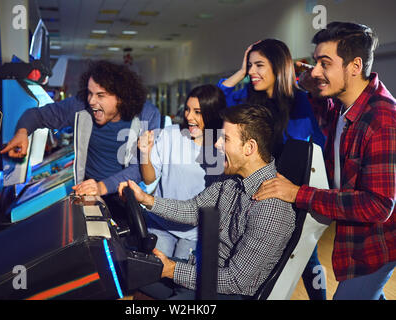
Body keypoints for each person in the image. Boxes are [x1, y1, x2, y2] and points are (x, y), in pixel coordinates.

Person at [253, 22, 396, 300]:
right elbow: (320, 107)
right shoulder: (344, 107)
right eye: (315, 62)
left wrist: (298, 194)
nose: (316, 70)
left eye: (325, 63)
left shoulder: (383, 119)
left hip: (379, 244)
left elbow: (378, 206)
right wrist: (309, 82)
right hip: (354, 239)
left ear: (355, 66)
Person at [119, 104, 296, 299]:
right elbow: (194, 210)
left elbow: (235, 281)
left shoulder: (272, 206)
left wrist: (172, 270)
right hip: (204, 270)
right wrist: (146, 199)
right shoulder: (231, 178)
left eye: (225, 139)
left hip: (230, 292)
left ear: (249, 147)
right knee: (133, 274)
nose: (217, 144)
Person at [218, 39, 327, 299]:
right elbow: (220, 93)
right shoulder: (250, 99)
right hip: (258, 194)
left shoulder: (301, 102)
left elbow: (314, 148)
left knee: (307, 259)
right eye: (250, 65)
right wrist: (243, 70)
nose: (252, 71)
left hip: (291, 195)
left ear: (278, 67)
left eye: (259, 65)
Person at [1, 60, 161, 221]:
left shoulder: (147, 115)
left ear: (120, 98)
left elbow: (142, 168)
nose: (91, 101)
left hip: (127, 194)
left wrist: (102, 187)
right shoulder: (80, 105)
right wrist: (22, 132)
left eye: (100, 95)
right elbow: (37, 115)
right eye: (90, 93)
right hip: (88, 188)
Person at [138, 84, 225, 261]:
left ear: (213, 113)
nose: (189, 116)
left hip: (196, 231)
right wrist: (144, 153)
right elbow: (149, 180)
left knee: (182, 281)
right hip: (160, 223)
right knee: (156, 270)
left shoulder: (222, 146)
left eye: (198, 112)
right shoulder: (171, 135)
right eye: (187, 109)